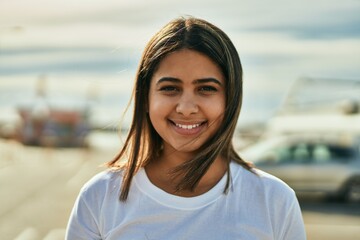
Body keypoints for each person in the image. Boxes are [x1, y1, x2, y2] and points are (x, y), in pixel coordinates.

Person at [66, 16, 306, 240]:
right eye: (170, 88)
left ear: (230, 99)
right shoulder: (99, 196)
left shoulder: (274, 201)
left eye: (206, 89)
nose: (186, 108)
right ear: (146, 99)